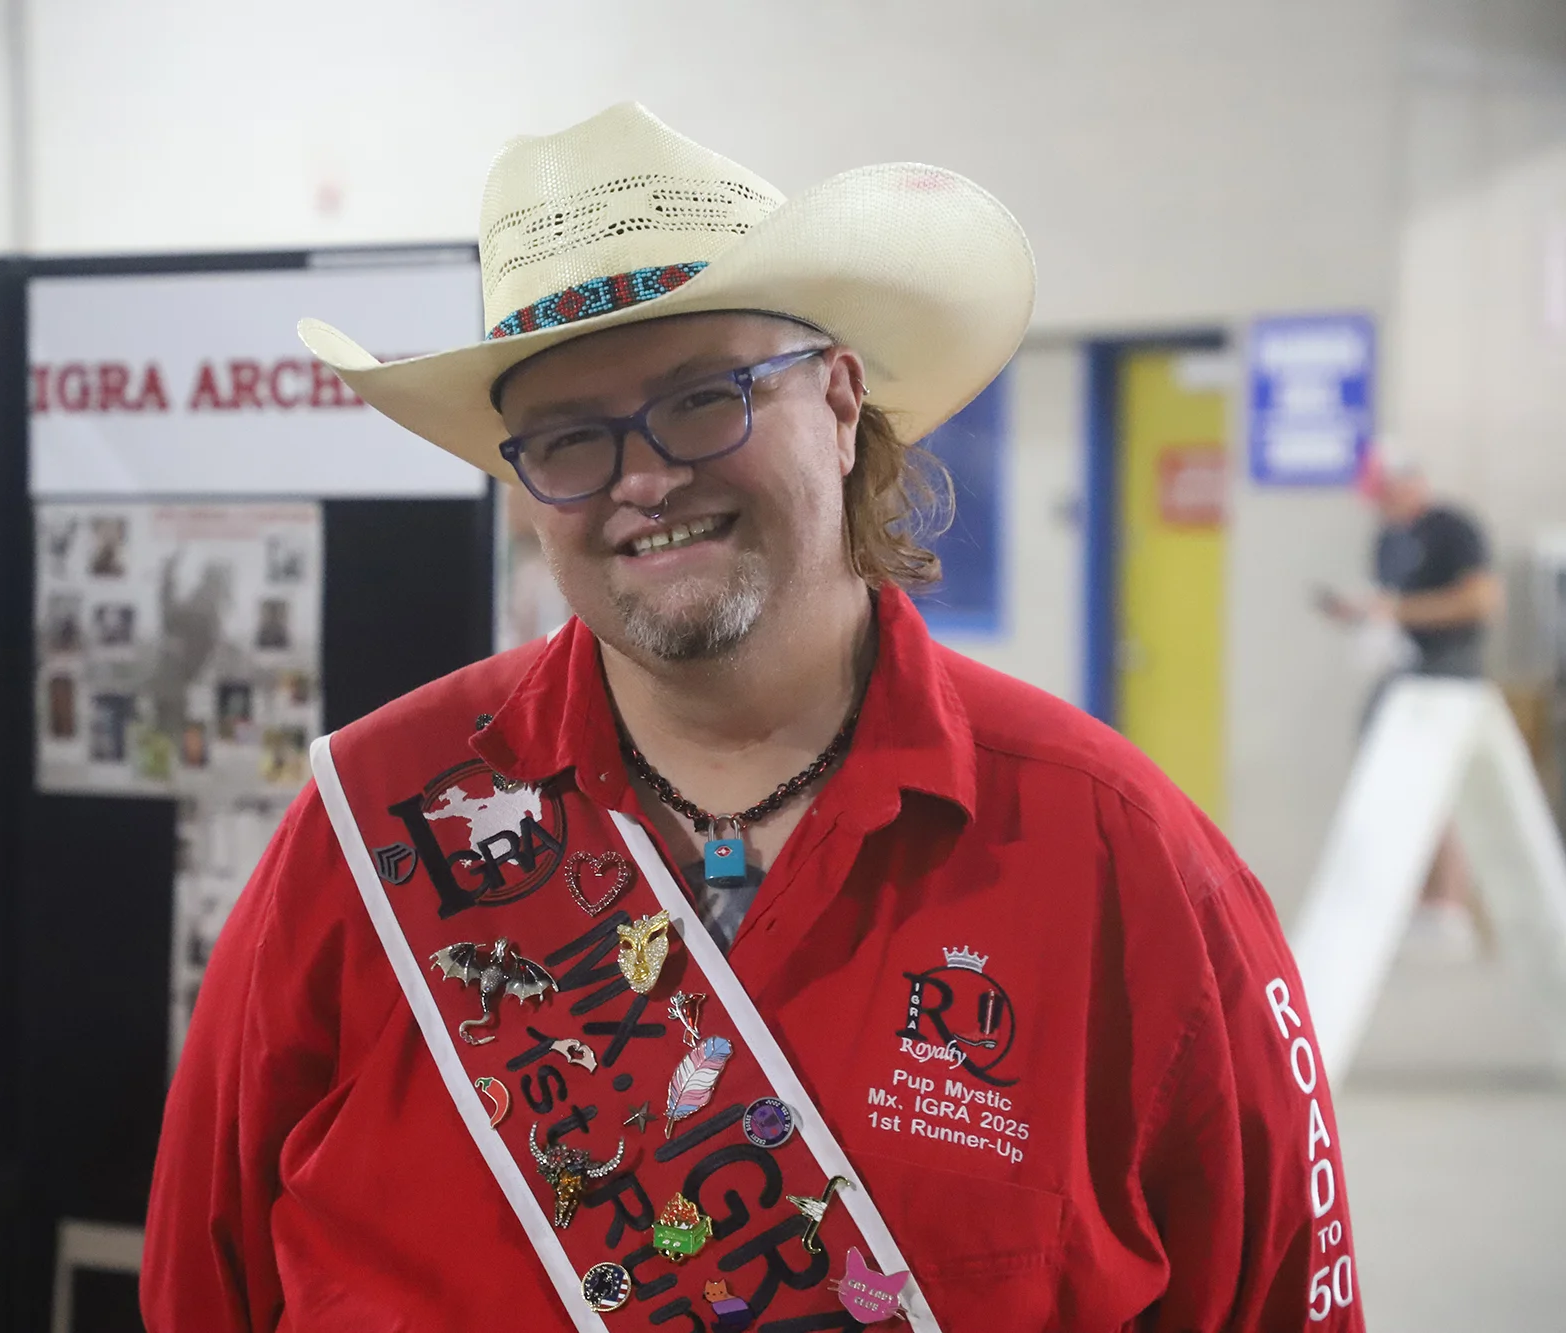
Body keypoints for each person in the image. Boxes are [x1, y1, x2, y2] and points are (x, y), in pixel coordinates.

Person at [145, 104, 1362, 1332]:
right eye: (569, 438)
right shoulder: (371, 828)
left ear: (839, 404)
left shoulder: (1119, 856)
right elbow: (202, 1285)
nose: (641, 478)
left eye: (700, 399)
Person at [1320, 448, 1502, 955]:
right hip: (1403, 668)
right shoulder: (1388, 539)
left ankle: (1450, 902)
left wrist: (1398, 609)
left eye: (1385, 495)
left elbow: (1481, 601)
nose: (1380, 507)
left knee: (1440, 783)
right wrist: (1364, 615)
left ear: (1408, 483)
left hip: (1449, 670)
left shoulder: (1452, 529)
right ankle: (1413, 896)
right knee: (1385, 771)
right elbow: (1389, 604)